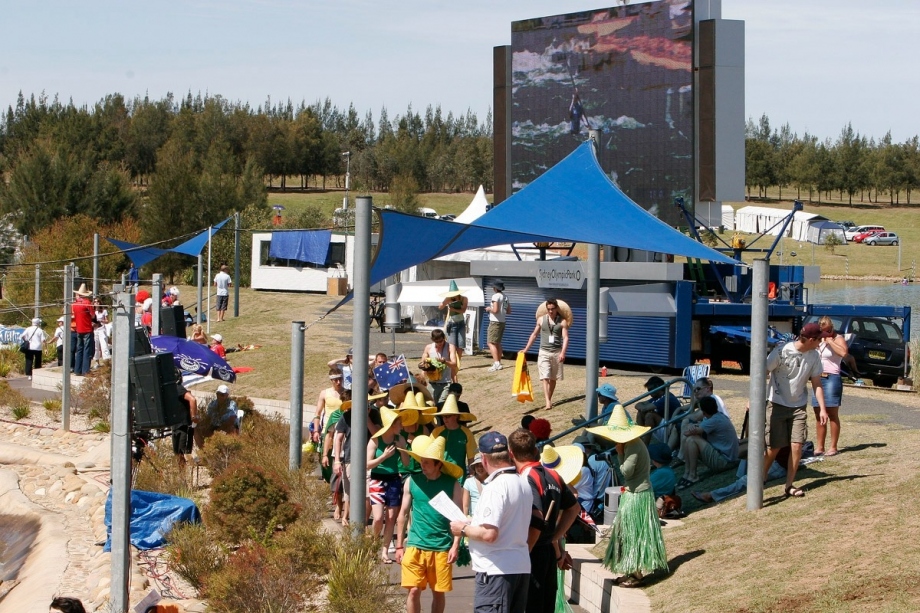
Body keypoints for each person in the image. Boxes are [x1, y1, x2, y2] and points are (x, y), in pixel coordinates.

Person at [450, 432, 532, 613]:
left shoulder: (495, 487)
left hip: (496, 570)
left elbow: (489, 534)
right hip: (519, 566)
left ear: (484, 459)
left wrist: (462, 528)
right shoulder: (523, 482)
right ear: (509, 454)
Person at [587, 404, 668, 588]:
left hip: (638, 495)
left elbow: (626, 472)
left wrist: (620, 454)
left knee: (634, 536)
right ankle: (630, 571)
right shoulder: (633, 444)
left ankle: (637, 575)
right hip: (633, 493)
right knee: (626, 534)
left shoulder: (632, 446)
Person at [509, 429, 579, 613]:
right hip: (547, 549)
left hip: (532, 552)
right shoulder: (553, 474)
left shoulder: (526, 478)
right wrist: (554, 537)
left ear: (511, 453)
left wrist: (525, 552)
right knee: (545, 606)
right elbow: (573, 508)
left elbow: (536, 520)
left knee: (530, 606)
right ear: (534, 449)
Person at [395, 435, 463, 613]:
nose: (422, 466)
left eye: (426, 463)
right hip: (415, 545)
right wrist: (399, 545)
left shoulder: (452, 484)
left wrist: (455, 546)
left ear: (438, 464)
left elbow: (459, 519)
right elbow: (402, 513)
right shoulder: (412, 481)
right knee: (413, 591)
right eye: (421, 461)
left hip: (441, 548)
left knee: (438, 593)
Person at [764, 322, 828, 498]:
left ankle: (789, 485)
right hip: (776, 404)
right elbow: (762, 371)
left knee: (797, 446)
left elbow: (817, 384)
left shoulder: (814, 356)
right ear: (810, 339)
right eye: (819, 340)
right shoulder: (781, 351)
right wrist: (754, 399)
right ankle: (760, 480)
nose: (821, 343)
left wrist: (822, 409)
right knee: (773, 448)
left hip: (798, 406)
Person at [368, 407, 409, 564]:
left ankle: (385, 551)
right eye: (399, 423)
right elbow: (366, 464)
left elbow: (406, 463)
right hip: (377, 479)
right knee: (378, 518)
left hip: (394, 479)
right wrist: (383, 457)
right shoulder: (375, 440)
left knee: (391, 517)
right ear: (392, 424)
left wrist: (403, 449)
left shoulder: (400, 439)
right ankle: (374, 543)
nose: (401, 425)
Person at [676, 396, 739, 489]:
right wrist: (693, 426)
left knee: (691, 439)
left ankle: (692, 475)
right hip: (726, 457)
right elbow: (699, 427)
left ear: (703, 412)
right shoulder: (717, 416)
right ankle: (687, 473)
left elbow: (686, 433)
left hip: (725, 461)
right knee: (690, 438)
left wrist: (689, 425)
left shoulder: (714, 420)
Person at [692, 447, 790, 505]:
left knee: (746, 479)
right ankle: (739, 483)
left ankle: (712, 495)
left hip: (779, 464)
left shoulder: (779, 424)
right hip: (771, 458)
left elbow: (772, 450)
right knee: (747, 454)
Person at [521, 298, 569, 411]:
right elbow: (534, 335)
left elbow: (565, 337)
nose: (551, 311)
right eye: (549, 309)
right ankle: (547, 401)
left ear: (556, 308)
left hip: (556, 352)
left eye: (552, 309)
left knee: (553, 378)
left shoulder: (562, 321)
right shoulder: (541, 320)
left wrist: (563, 352)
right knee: (545, 377)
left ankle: (549, 398)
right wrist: (526, 349)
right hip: (544, 352)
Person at [813, 315, 848, 456]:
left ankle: (833, 446)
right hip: (818, 378)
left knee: (832, 413)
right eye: (822, 331)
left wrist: (830, 341)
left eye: (827, 330)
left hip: (832, 377)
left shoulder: (837, 338)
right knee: (818, 413)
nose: (824, 333)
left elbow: (844, 353)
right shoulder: (817, 340)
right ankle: (819, 446)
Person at [430, 394, 477, 478]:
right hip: (440, 477)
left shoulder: (467, 433)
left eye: (448, 416)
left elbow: (471, 458)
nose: (445, 419)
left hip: (459, 477)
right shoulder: (436, 432)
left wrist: (472, 476)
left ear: (456, 416)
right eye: (443, 416)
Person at [635, 375, 684, 446]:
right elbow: (637, 405)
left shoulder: (667, 397)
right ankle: (639, 442)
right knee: (641, 413)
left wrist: (643, 408)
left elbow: (645, 408)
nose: (649, 393)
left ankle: (645, 446)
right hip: (664, 427)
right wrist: (642, 408)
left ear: (658, 387)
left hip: (671, 429)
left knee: (650, 415)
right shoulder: (657, 397)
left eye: (651, 390)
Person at [422, 329, 458, 402]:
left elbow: (454, 365)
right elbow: (423, 365)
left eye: (441, 341)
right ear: (432, 340)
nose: (439, 343)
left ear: (444, 338)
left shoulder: (450, 347)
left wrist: (445, 361)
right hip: (432, 383)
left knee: (441, 405)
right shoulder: (428, 347)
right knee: (431, 405)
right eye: (437, 341)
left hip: (445, 383)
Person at [173, 370, 200, 464]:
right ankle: (182, 475)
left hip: (183, 425)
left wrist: (194, 417)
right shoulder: (174, 389)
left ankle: (185, 475)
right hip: (177, 425)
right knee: (178, 453)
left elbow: (192, 399)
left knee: (183, 453)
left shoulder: (178, 388)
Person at [439, 280, 469, 360]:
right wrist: (445, 302)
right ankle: (452, 362)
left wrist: (453, 309)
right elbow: (440, 307)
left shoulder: (464, 299)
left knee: (460, 346)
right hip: (451, 324)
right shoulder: (448, 299)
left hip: (461, 323)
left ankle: (457, 364)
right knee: (452, 345)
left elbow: (463, 310)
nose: (454, 296)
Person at [486, 279, 511, 372]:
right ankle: (498, 362)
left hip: (494, 322)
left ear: (495, 288)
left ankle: (496, 363)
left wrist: (489, 309)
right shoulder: (505, 297)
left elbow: (495, 310)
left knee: (490, 342)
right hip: (502, 321)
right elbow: (509, 311)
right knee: (497, 342)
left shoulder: (495, 296)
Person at [72, 284, 95, 375]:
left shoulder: (74, 304)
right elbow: (92, 315)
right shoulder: (87, 303)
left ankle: (77, 370)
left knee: (79, 349)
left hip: (78, 329)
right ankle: (85, 370)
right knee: (87, 350)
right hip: (87, 328)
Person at [92, 298, 110, 367]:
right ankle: (97, 362)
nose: (96, 303)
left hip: (102, 329)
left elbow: (107, 320)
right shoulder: (93, 311)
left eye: (98, 302)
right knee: (96, 346)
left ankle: (106, 361)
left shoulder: (104, 311)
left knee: (104, 345)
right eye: (95, 302)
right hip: (95, 329)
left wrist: (101, 321)